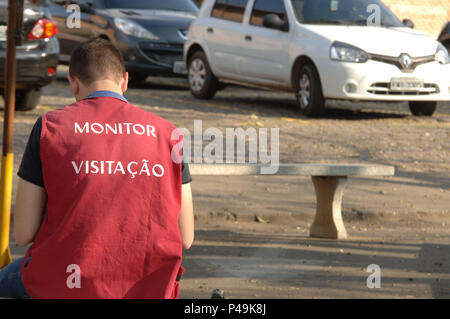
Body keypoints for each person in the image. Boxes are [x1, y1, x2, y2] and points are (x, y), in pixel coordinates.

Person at [0, 38, 194, 299]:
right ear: (125, 80)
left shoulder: (50, 127)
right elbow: (185, 237)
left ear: (73, 82)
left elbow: (23, 233)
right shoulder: (170, 134)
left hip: (61, 282)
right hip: (147, 287)